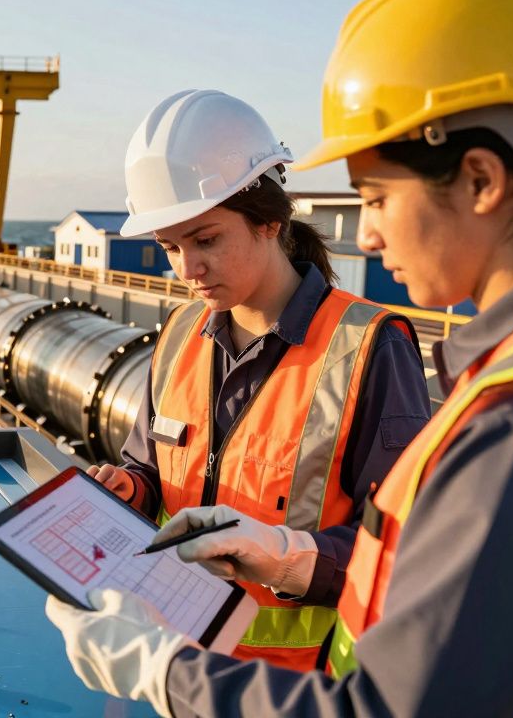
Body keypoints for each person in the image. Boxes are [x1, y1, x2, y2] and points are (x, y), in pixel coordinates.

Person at [46, 0, 513, 716]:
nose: (364, 237)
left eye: (375, 198)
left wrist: (161, 672)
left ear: (482, 179)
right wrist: (281, 551)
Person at [87, 89, 430, 673]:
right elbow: (152, 471)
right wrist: (130, 488)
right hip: (177, 665)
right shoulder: (177, 334)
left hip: (298, 689)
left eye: (206, 239)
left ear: (269, 219)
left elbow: (406, 553)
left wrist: (286, 560)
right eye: (169, 247)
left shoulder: (369, 346)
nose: (187, 269)